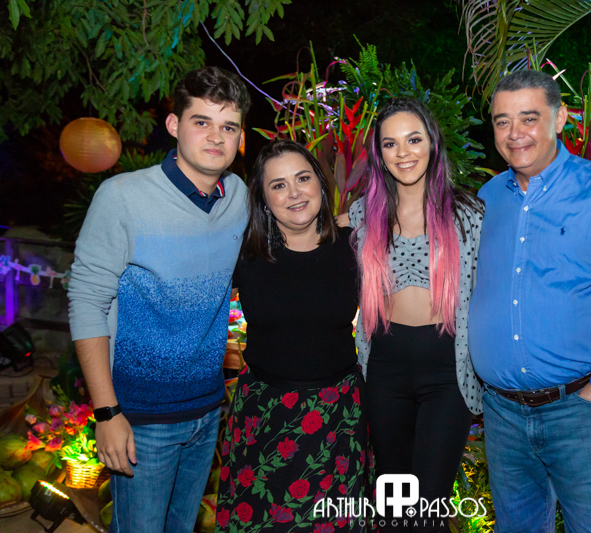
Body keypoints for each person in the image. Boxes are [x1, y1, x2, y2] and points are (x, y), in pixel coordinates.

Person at [468, 70, 591, 532]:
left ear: (559, 119)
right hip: (503, 414)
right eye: (501, 121)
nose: (514, 133)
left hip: (580, 411)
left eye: (529, 118)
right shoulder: (489, 198)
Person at [67, 66, 251, 532]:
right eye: (201, 121)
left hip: (207, 409)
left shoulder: (239, 198)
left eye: (228, 126)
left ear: (240, 137)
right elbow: (86, 302)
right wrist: (107, 412)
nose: (216, 136)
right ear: (174, 125)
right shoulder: (123, 197)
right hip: (140, 418)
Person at [339, 98, 484, 533]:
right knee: (394, 503)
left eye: (413, 139)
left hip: (448, 373)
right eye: (390, 143)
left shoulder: (467, 215)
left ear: (432, 144)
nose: (403, 152)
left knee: (426, 509)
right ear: (379, 154)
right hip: (384, 369)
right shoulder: (364, 214)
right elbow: (310, 237)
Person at [215, 140, 371, 532]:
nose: (295, 192)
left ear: (320, 183)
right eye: (279, 185)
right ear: (264, 199)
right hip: (264, 417)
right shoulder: (244, 251)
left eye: (303, 178)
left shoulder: (356, 245)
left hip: (338, 416)